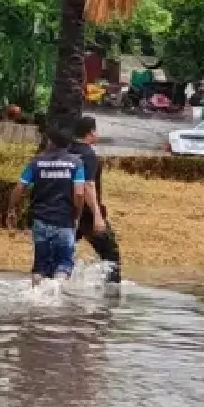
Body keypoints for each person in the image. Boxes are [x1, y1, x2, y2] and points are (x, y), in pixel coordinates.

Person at [14, 125, 93, 281]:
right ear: (68, 144)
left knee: (40, 266)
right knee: (64, 264)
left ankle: (35, 296)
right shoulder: (76, 163)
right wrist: (77, 213)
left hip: (40, 220)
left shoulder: (36, 162)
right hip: (64, 220)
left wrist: (11, 209)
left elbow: (20, 186)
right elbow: (79, 192)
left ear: (50, 142)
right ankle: (56, 299)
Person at [70, 116, 122, 285]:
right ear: (90, 132)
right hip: (86, 213)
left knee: (64, 252)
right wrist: (97, 215)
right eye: (96, 130)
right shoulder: (88, 154)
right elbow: (88, 185)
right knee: (111, 255)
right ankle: (111, 294)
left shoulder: (68, 151)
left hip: (67, 210)